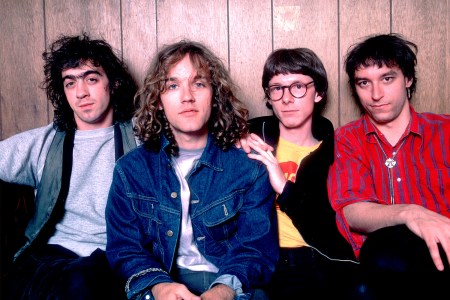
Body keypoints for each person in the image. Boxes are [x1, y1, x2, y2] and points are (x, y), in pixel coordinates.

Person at [105, 40, 278, 300]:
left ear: (215, 95)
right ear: (158, 101)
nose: (187, 97)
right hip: (160, 282)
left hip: (230, 282)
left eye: (199, 83)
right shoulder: (130, 171)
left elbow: (256, 248)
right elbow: (124, 248)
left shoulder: (248, 167)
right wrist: (159, 286)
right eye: (172, 85)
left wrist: (223, 290)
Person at [0, 33, 138, 299]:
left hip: (112, 257)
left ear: (114, 83)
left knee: (83, 281)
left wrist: (239, 137)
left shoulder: (141, 138)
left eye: (91, 79)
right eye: (70, 82)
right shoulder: (45, 141)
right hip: (49, 260)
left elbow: (196, 139)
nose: (81, 92)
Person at [327, 33, 450, 298]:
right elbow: (352, 211)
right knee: (382, 255)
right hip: (382, 270)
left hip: (445, 260)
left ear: (408, 79)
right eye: (364, 82)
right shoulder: (347, 138)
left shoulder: (445, 131)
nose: (376, 94)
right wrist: (411, 213)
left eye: (387, 78)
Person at [240, 48, 362, 299]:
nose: (286, 98)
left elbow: (330, 226)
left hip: (313, 260)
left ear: (318, 93)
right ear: (269, 97)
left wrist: (283, 187)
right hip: (256, 257)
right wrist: (231, 137)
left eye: (298, 86)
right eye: (277, 88)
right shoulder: (251, 138)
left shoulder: (336, 151)